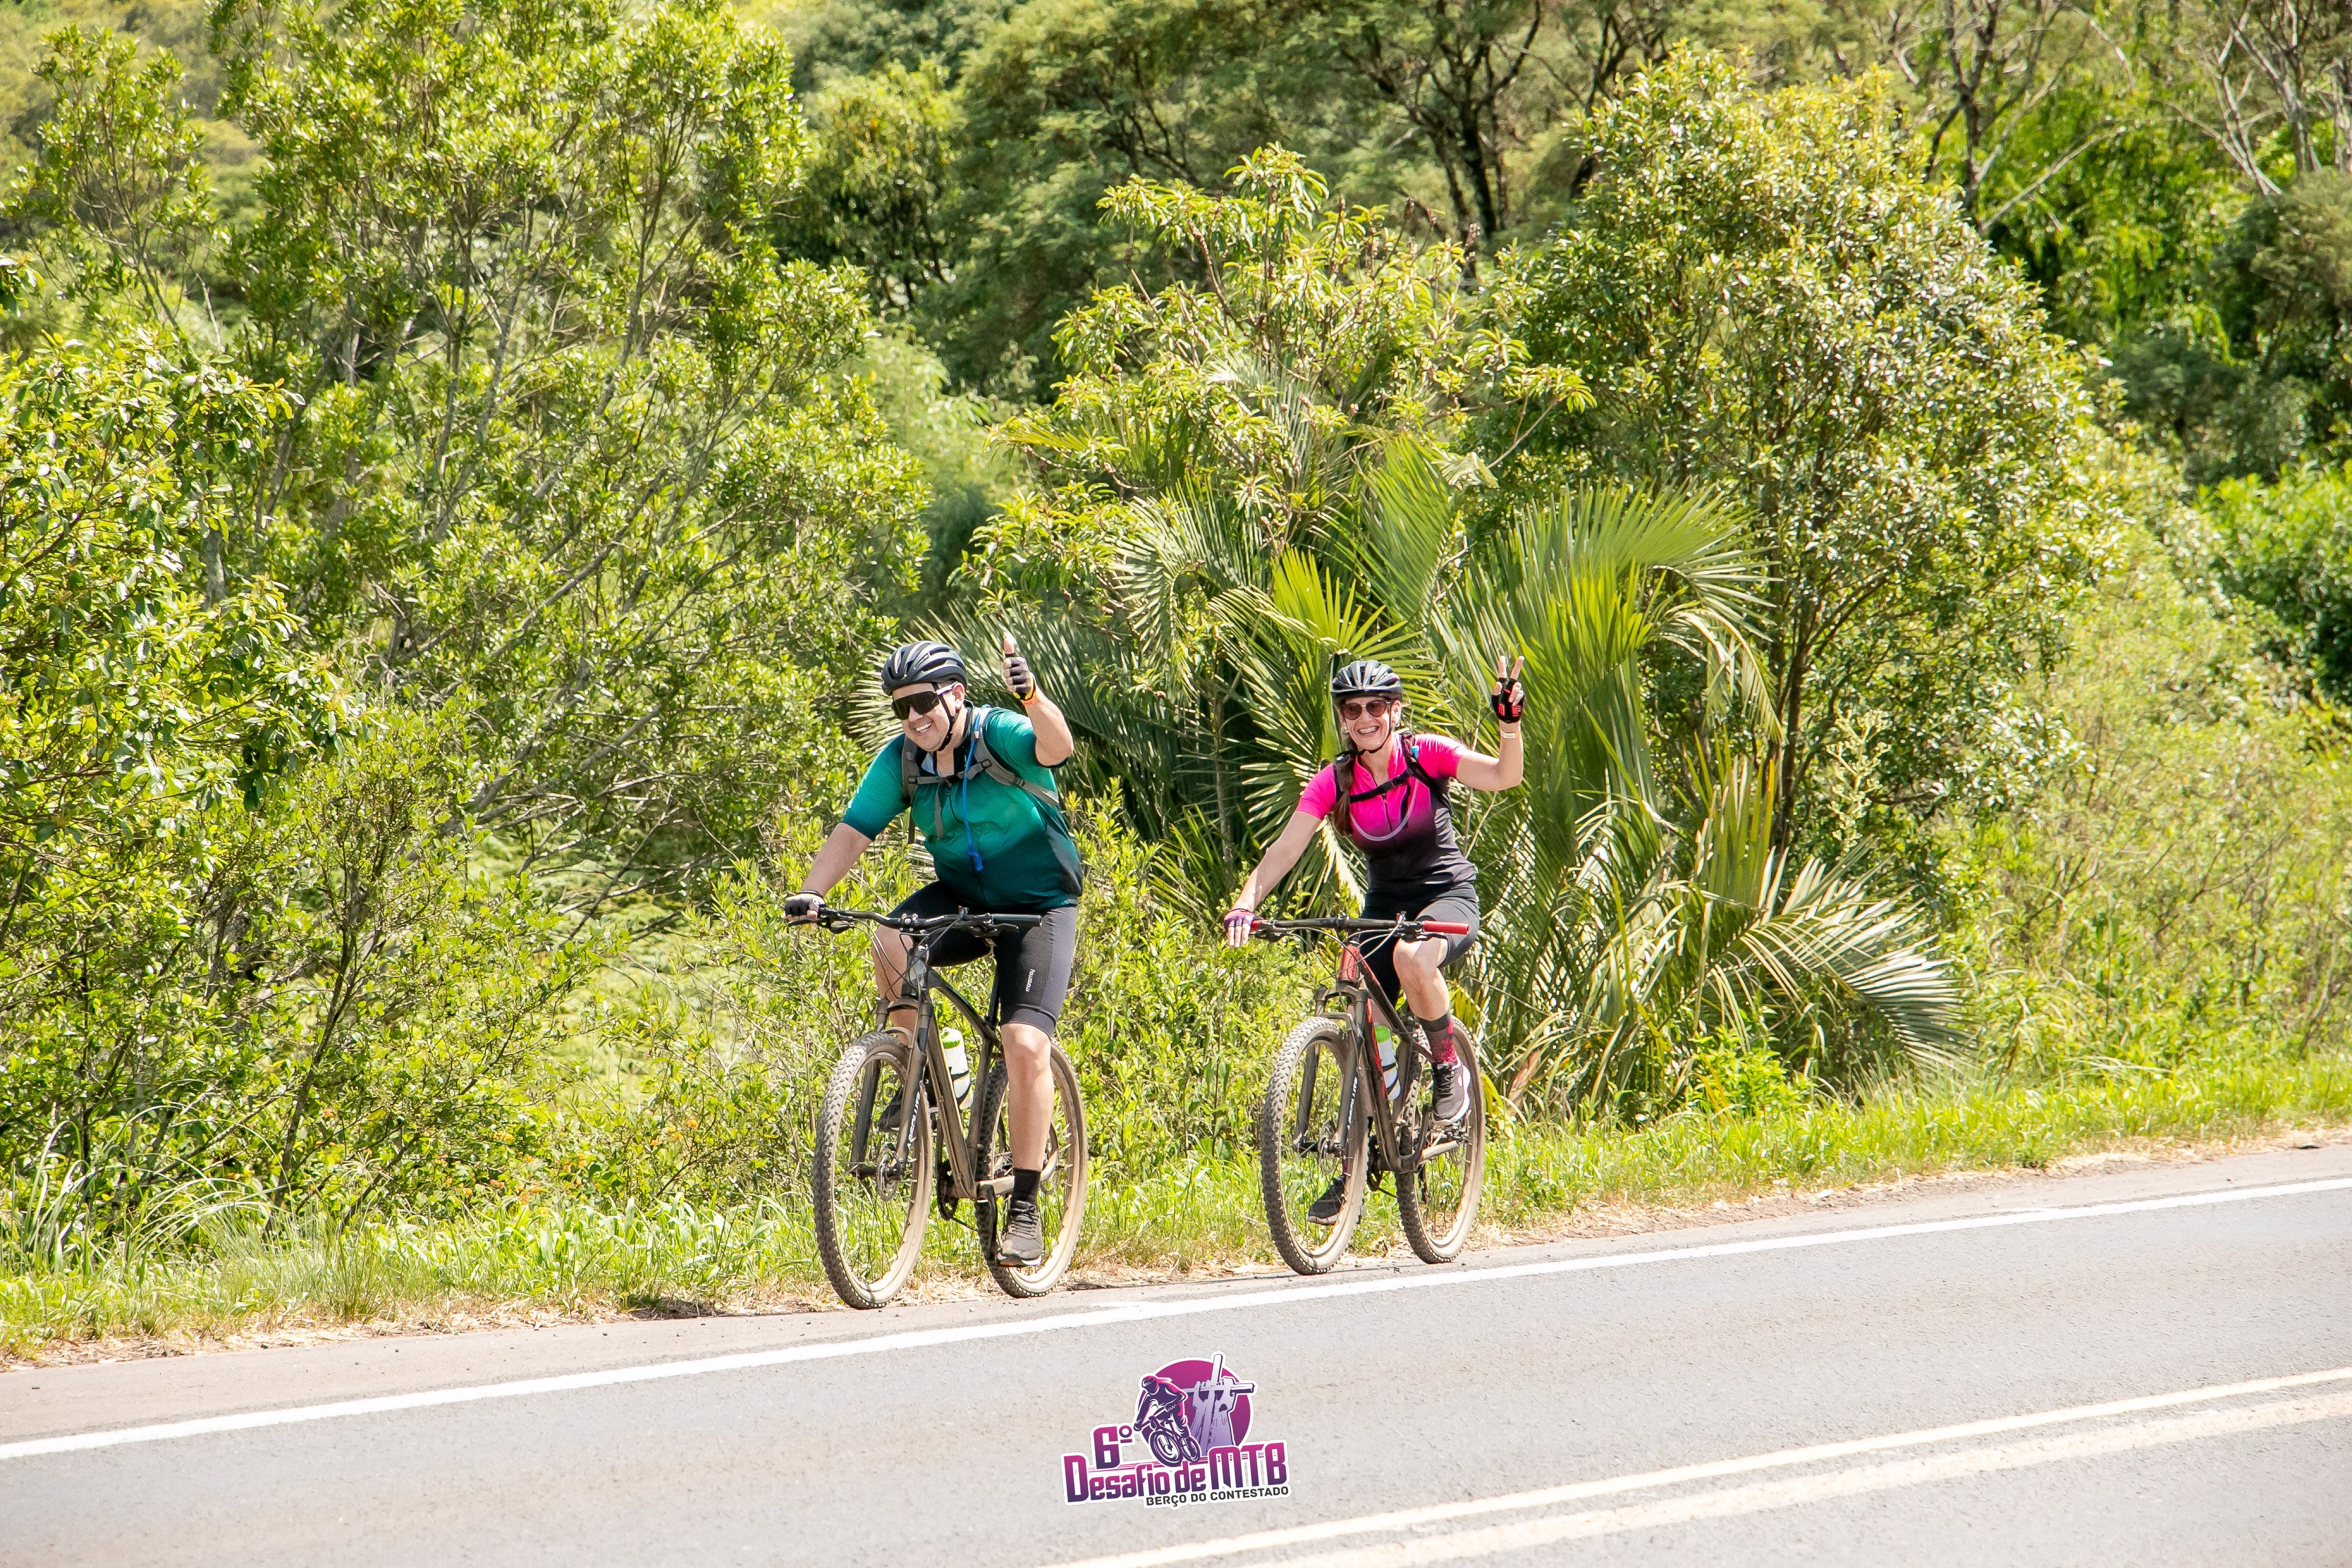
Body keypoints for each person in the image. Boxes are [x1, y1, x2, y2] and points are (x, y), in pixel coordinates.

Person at [787, 636, 1081, 1265]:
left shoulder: (999, 733)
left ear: (956, 694)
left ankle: (1025, 1207)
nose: (914, 717)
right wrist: (813, 891)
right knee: (890, 939)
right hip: (965, 899)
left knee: (1024, 1044)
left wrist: (1031, 696)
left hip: (1041, 906)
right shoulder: (903, 761)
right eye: (902, 707)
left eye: (924, 701)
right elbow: (855, 830)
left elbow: (1058, 748)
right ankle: (919, 1072)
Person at [1224, 655, 1524, 1220]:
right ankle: (1356, 1165)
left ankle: (1447, 1069)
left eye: (1375, 707)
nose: (1364, 718)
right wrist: (1246, 903)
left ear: (1395, 710)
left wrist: (1509, 726)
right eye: (1352, 709)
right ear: (1343, 720)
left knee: (1412, 960)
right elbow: (1285, 849)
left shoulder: (1426, 755)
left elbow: (1503, 777)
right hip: (1386, 909)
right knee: (1355, 994)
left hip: (1447, 898)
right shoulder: (1336, 780)